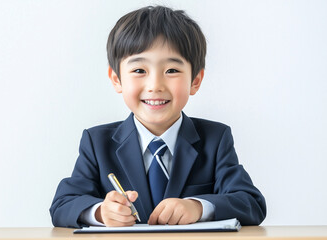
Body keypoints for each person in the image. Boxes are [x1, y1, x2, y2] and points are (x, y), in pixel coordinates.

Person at [49, 5, 266, 228]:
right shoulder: (97, 142)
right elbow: (63, 205)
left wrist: (198, 207)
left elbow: (251, 203)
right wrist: (100, 213)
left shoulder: (216, 138)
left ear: (195, 81)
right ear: (116, 80)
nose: (155, 86)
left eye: (171, 70)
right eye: (139, 71)